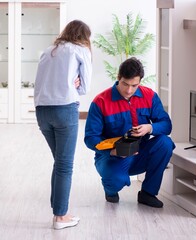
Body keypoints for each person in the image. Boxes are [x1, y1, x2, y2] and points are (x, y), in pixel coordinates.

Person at [84, 57, 174, 208]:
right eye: (125, 84)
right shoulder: (100, 102)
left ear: (140, 82)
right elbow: (90, 138)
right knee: (115, 181)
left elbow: (166, 125)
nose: (129, 90)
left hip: (141, 154)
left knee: (165, 143)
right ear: (118, 77)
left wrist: (149, 128)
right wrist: (112, 152)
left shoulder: (149, 96)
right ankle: (110, 189)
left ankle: (148, 193)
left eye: (134, 85)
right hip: (111, 158)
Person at [34, 20, 92, 230]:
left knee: (59, 162)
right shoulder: (80, 50)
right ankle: (61, 216)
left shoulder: (48, 51)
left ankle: (58, 210)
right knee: (64, 165)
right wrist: (75, 84)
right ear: (84, 36)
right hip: (64, 109)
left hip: (42, 111)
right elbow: (85, 86)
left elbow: (39, 83)